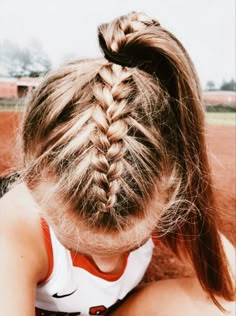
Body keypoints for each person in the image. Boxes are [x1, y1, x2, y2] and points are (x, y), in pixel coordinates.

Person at [0, 12, 235, 316]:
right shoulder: (13, 227)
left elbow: (228, 283)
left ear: (168, 193)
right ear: (33, 181)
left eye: (130, 245)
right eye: (78, 244)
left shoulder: (151, 187)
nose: (108, 265)